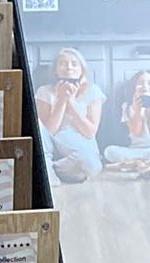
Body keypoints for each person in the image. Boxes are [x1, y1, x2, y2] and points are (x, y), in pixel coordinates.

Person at [35, 45, 103, 182]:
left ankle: (54, 169)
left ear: (82, 70)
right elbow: (47, 132)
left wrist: (71, 103)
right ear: (55, 70)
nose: (69, 68)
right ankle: (52, 170)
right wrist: (61, 101)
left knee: (91, 164)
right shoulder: (44, 91)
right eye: (63, 64)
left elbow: (90, 132)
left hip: (83, 143)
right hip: (56, 143)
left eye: (74, 64)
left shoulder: (93, 91)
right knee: (38, 127)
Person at [104, 69, 150, 170]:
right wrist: (137, 111)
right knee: (109, 151)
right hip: (135, 150)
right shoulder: (127, 106)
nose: (145, 86)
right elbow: (136, 132)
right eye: (141, 83)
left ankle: (137, 163)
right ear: (134, 89)